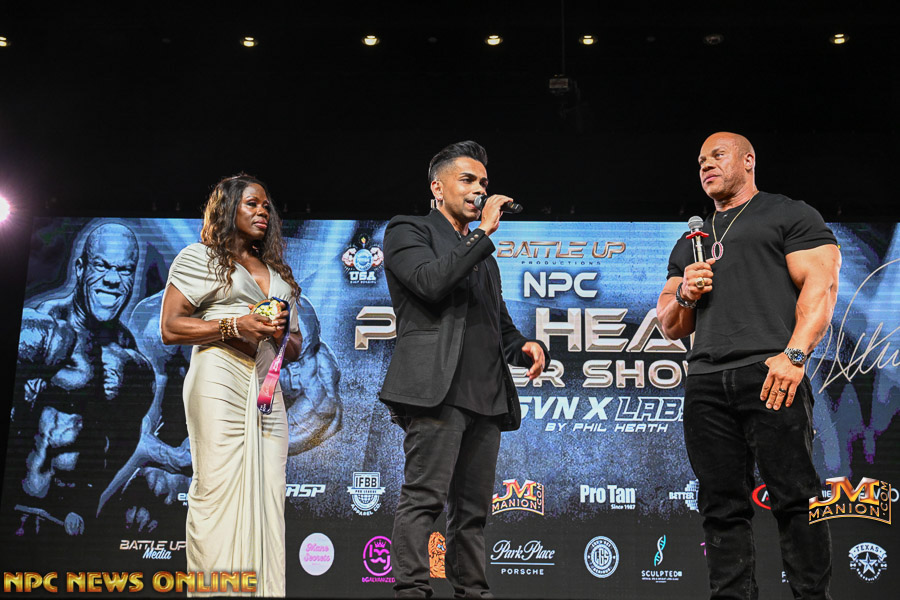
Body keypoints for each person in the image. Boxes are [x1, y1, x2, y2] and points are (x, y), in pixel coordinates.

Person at [657, 132, 841, 599]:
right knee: (721, 507)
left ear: (748, 161)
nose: (706, 166)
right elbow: (670, 325)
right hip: (705, 382)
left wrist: (795, 355)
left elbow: (822, 286)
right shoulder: (690, 241)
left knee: (795, 498)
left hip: (771, 372)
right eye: (701, 160)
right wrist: (685, 293)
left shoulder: (788, 213)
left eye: (717, 156)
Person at [380, 140, 549, 599]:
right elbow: (430, 282)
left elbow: (499, 324)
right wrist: (484, 234)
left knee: (472, 512)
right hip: (437, 390)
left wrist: (524, 346)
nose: (480, 190)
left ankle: (472, 591)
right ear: (437, 188)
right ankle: (412, 590)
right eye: (468, 180)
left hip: (486, 395)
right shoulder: (407, 229)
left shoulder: (483, 256)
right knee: (424, 498)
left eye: (484, 183)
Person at [160, 174, 302, 597]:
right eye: (252, 204)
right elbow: (170, 327)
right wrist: (234, 325)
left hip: (266, 391)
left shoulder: (278, 273)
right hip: (218, 379)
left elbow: (295, 345)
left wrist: (281, 333)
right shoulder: (200, 258)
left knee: (268, 497)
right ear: (227, 209)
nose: (262, 212)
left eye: (266, 206)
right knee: (216, 491)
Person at [11, 221, 152, 539]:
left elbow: (123, 441)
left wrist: (86, 502)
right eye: (102, 266)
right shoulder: (44, 328)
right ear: (80, 268)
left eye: (125, 270)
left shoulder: (132, 363)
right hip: (15, 510)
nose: (113, 279)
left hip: (68, 526)